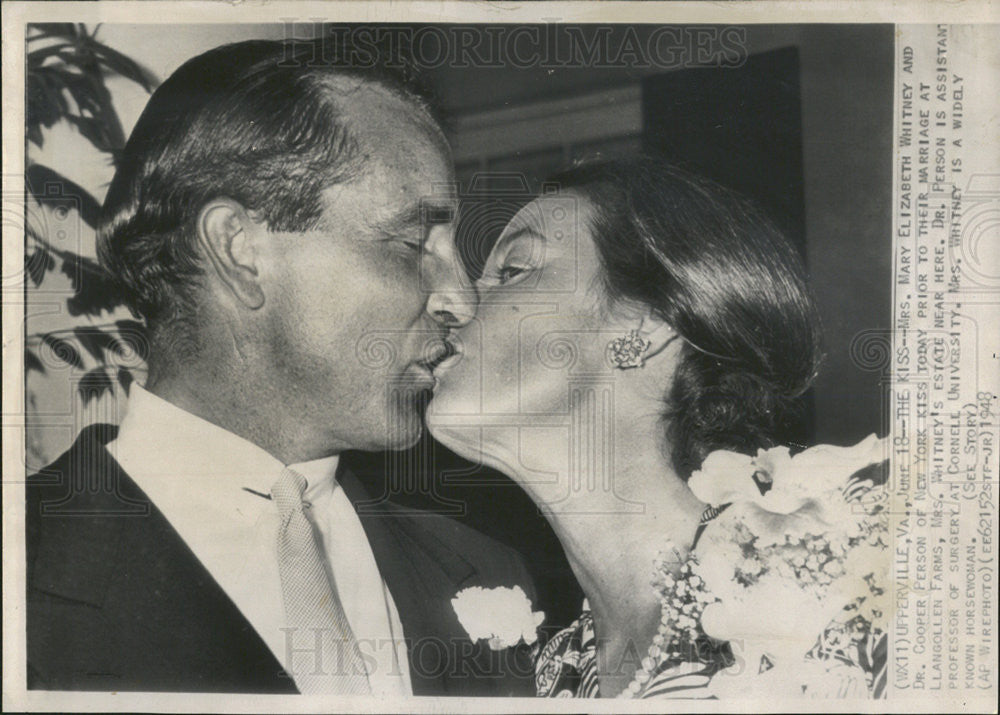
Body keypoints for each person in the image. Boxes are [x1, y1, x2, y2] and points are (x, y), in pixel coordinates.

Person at [26, 38, 535, 696]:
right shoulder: (27, 570)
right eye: (413, 243)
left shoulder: (485, 568)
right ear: (240, 251)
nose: (461, 300)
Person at [427, 156, 888, 698]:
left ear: (646, 323)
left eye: (512, 271)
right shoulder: (546, 678)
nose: (455, 306)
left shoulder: (861, 547)